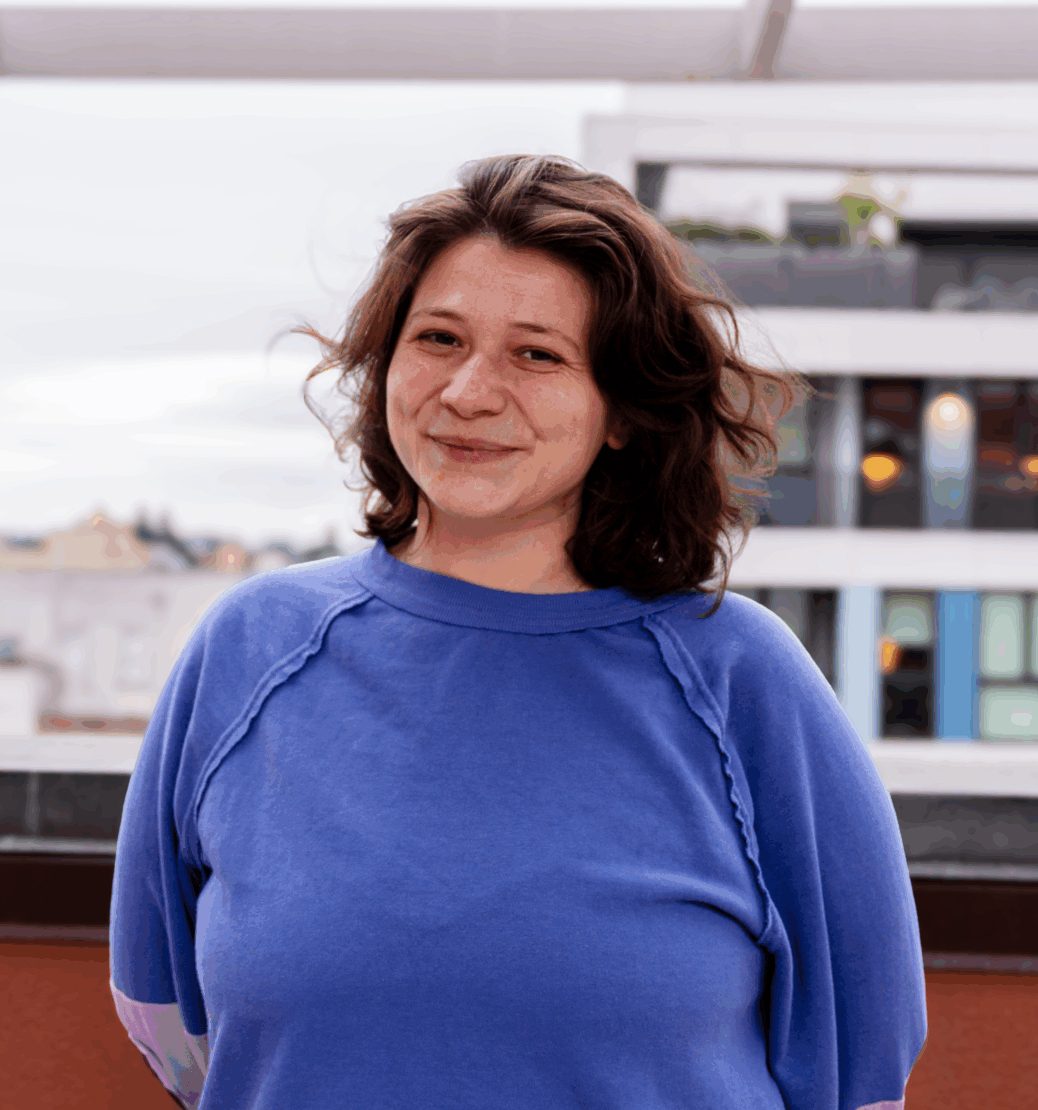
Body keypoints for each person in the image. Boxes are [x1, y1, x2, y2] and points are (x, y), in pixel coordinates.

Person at [109, 154, 926, 1110]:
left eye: (537, 354)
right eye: (438, 338)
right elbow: (167, 1021)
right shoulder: (249, 650)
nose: (468, 392)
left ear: (620, 410)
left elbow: (859, 1069)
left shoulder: (741, 678)